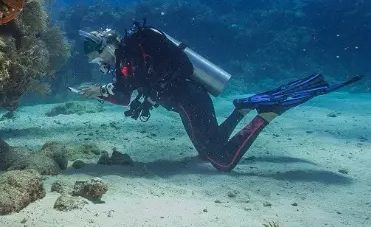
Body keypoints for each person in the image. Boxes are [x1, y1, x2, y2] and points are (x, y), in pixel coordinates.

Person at [75, 21, 362, 172]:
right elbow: (124, 97)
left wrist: (158, 90)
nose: (100, 63)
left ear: (106, 44)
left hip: (189, 100)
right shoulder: (129, 60)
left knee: (221, 161)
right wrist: (99, 93)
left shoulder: (139, 45)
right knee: (206, 151)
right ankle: (242, 109)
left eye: (98, 56)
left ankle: (266, 114)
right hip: (186, 102)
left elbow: (183, 65)